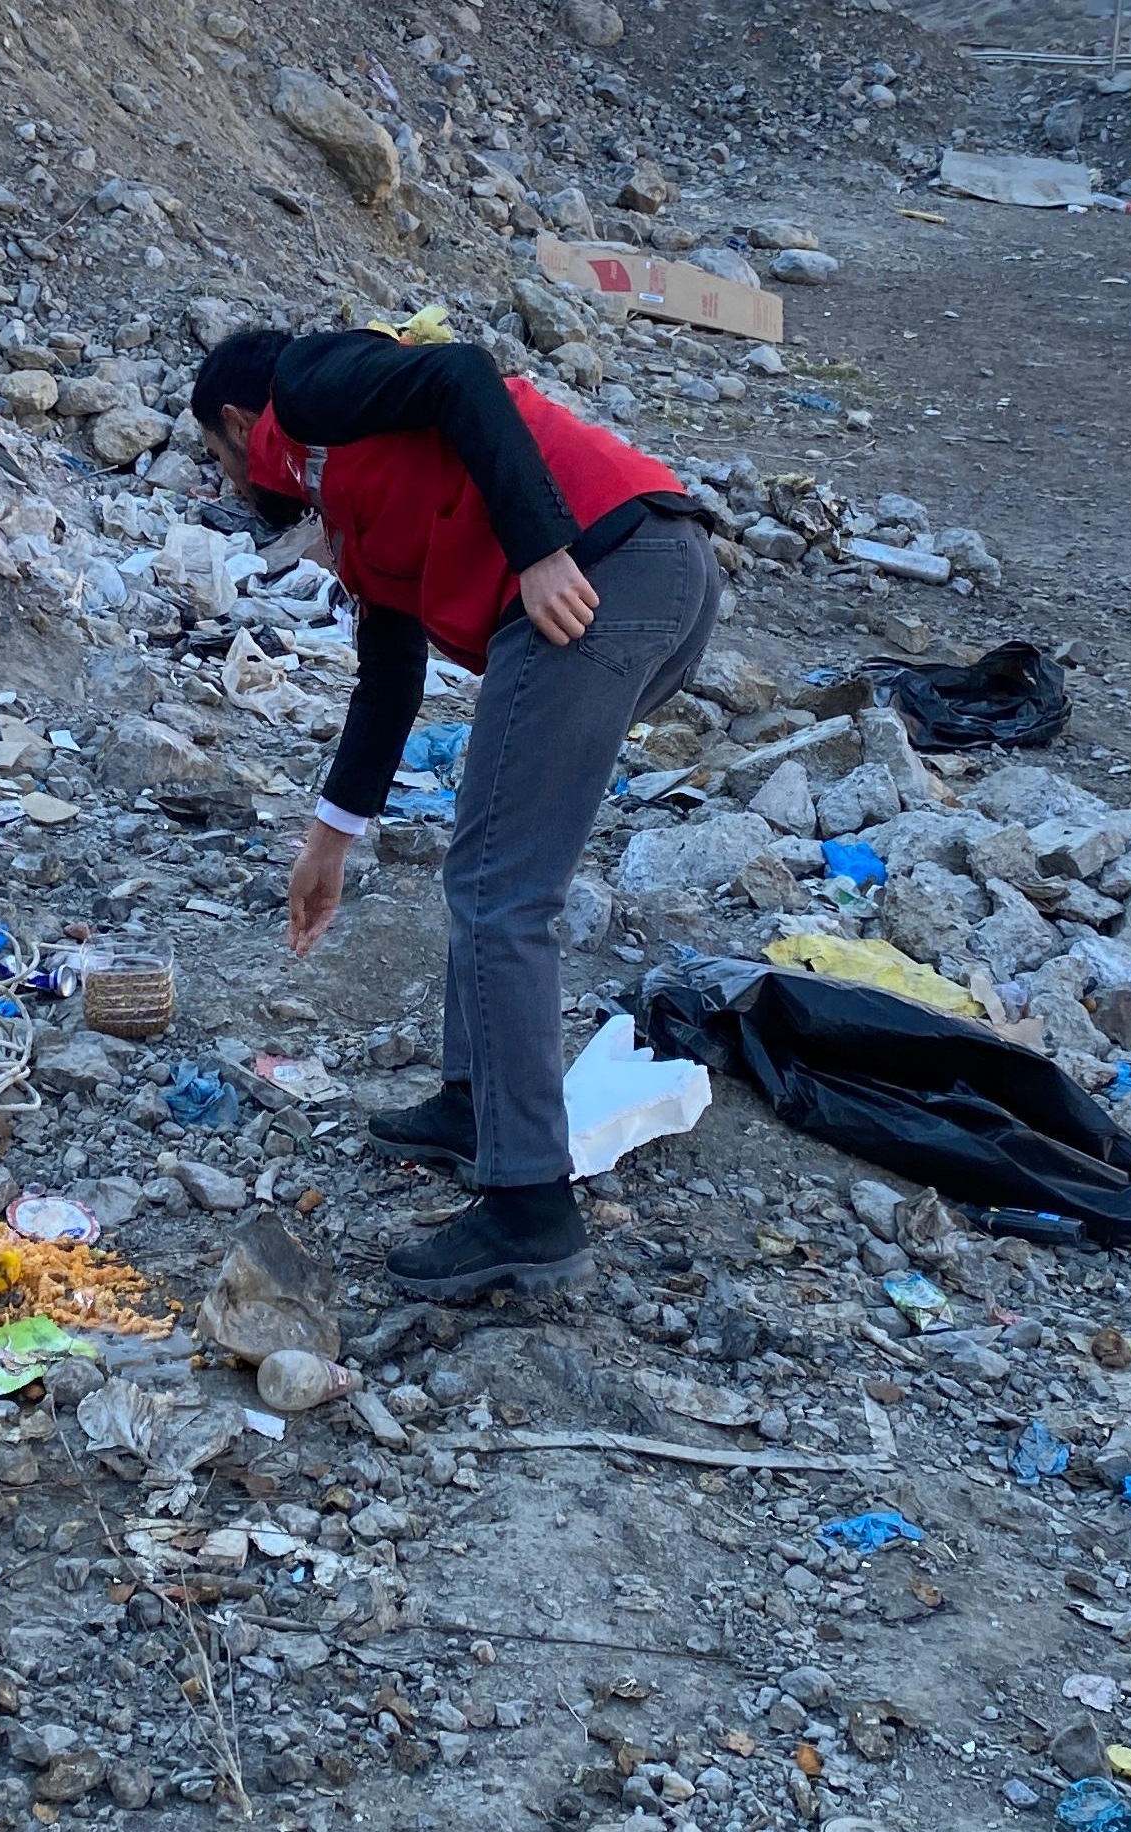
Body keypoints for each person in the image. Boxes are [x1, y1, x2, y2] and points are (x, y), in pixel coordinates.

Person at [189, 325, 721, 1301]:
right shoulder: (363, 499)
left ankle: (530, 1207)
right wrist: (326, 844)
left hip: (612, 565)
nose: (232, 483)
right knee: (489, 861)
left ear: (237, 420)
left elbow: (464, 372)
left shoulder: (307, 387)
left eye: (222, 459)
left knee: (501, 887)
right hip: (650, 571)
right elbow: (387, 684)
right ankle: (476, 1106)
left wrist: (540, 548)